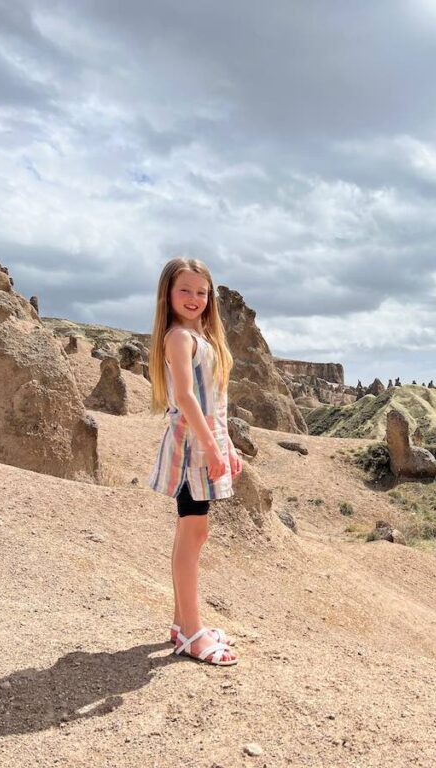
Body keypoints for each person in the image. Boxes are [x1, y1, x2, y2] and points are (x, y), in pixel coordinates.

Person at [145, 257, 243, 666]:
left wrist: (229, 444)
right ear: (168, 293)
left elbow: (214, 402)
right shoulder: (179, 338)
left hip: (204, 442)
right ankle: (191, 632)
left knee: (193, 533)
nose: (194, 298)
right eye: (185, 290)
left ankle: (180, 621)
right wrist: (212, 448)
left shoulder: (200, 337)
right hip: (191, 448)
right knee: (192, 534)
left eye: (201, 292)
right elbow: (185, 398)